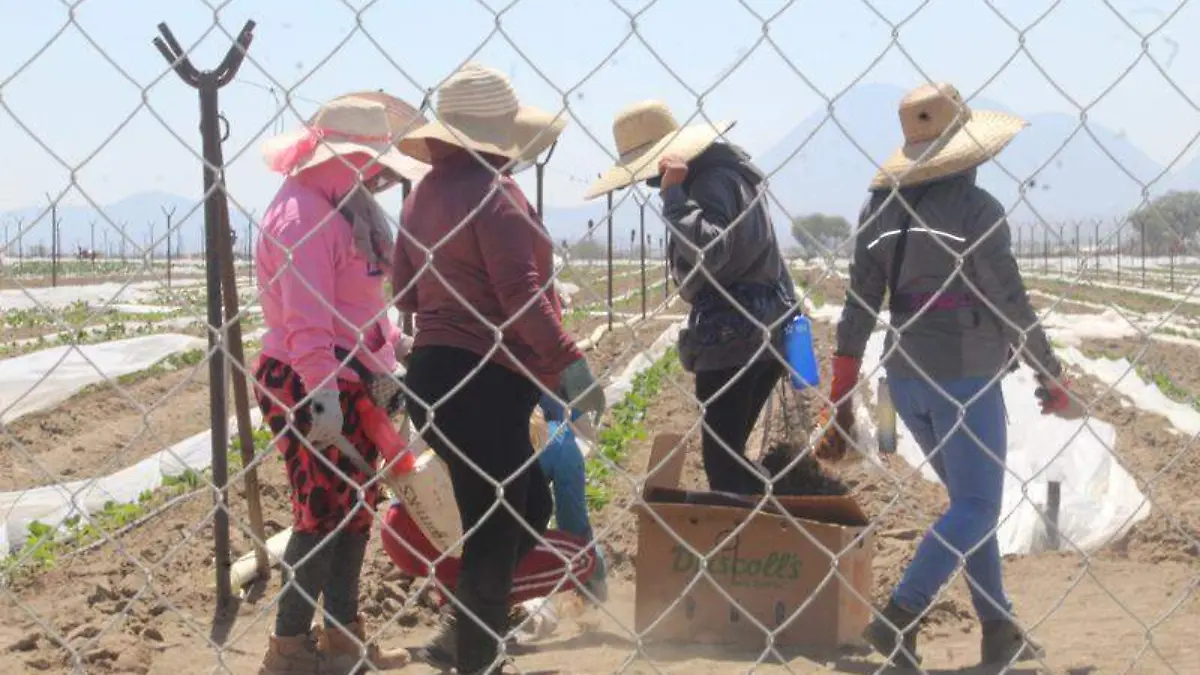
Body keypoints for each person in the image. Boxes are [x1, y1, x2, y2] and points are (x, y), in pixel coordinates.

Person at [815, 82, 1075, 668]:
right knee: (979, 506)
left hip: (905, 378)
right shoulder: (976, 211)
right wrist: (1050, 375)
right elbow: (1009, 302)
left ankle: (998, 628)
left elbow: (859, 307)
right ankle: (900, 616)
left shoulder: (877, 210)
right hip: (966, 378)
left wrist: (841, 391)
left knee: (967, 502)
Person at [392, 62, 606, 675]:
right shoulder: (497, 195)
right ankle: (476, 657)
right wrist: (572, 368)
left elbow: (404, 291)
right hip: (483, 381)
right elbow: (525, 298)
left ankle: (461, 635)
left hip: (434, 377)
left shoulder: (424, 194)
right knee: (505, 513)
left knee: (526, 501)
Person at [252, 93, 428, 674]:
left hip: (346, 375)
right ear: (336, 155)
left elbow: (359, 305)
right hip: (306, 379)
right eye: (369, 160)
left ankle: (343, 642)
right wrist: (322, 395)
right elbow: (307, 323)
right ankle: (289, 649)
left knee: (354, 510)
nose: (377, 173)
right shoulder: (301, 215)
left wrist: (391, 350)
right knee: (321, 513)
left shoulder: (342, 208)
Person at [585, 100, 797, 496]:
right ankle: (766, 518)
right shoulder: (733, 176)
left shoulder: (709, 182)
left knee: (723, 464)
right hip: (758, 329)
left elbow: (708, 250)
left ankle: (761, 530)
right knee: (728, 457)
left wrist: (675, 197)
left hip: (733, 334)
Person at [536, 393, 609, 603]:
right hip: (565, 446)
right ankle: (594, 587)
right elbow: (586, 424)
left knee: (518, 526)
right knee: (576, 528)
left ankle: (525, 600)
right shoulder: (556, 377)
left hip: (530, 449)